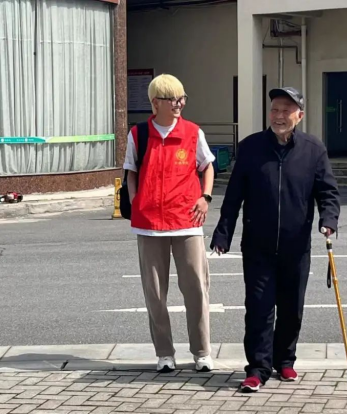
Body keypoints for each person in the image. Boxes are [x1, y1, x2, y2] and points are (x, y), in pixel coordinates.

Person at [210, 87, 341, 392]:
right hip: (258, 246)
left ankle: (285, 360)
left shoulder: (313, 150)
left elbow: (328, 192)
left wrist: (329, 220)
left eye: (286, 110)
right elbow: (234, 196)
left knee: (292, 307)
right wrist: (223, 233)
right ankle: (257, 368)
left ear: (300, 115)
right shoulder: (251, 148)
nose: (279, 116)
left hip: (297, 246)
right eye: (275, 110)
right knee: (259, 308)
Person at [123, 74, 216, 373]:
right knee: (155, 293)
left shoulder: (192, 132)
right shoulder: (138, 134)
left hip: (187, 220)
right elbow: (131, 172)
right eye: (172, 99)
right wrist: (136, 201)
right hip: (149, 224)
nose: (179, 104)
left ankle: (202, 352)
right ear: (155, 103)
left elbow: (207, 166)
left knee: (196, 288)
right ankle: (164, 353)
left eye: (182, 98)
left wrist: (205, 197)